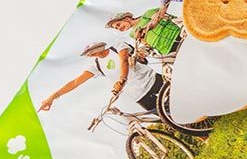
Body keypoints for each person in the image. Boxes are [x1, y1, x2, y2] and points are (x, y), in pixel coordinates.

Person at [37, 41, 165, 114]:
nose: (90, 54)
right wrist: (52, 97)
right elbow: (75, 82)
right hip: (139, 96)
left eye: (91, 51)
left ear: (99, 46)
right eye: (88, 54)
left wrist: (122, 80)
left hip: (153, 80)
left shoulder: (117, 47)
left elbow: (124, 62)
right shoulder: (96, 65)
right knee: (169, 118)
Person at [107, 9, 183, 57]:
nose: (119, 28)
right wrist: (142, 52)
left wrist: (143, 29)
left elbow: (160, 16)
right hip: (167, 51)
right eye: (116, 28)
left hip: (178, 36)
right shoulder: (132, 34)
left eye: (118, 24)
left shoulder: (147, 14)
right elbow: (147, 45)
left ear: (126, 18)